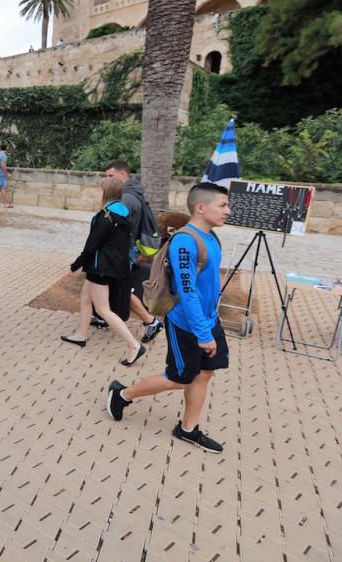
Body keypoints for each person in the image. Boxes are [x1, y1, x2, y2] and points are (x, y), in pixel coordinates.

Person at [107, 183, 232, 454]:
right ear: (201, 207)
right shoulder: (186, 242)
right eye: (222, 205)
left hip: (209, 320)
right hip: (188, 323)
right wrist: (202, 334)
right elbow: (187, 294)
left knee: (204, 374)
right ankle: (122, 394)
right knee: (178, 378)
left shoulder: (211, 237)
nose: (228, 211)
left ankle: (188, 429)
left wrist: (210, 326)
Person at [61, 178, 144, 365]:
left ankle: (134, 345)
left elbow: (92, 244)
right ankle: (81, 335)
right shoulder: (124, 213)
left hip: (101, 267)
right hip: (110, 266)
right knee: (85, 298)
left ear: (105, 192)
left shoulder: (105, 215)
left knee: (103, 309)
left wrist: (76, 264)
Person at [105, 160, 164, 343]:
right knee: (106, 284)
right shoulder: (132, 193)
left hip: (123, 250)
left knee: (121, 289)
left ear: (123, 175)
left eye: (110, 176)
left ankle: (150, 321)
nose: (107, 180)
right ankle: (102, 315)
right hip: (126, 249)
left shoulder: (127, 198)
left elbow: (117, 227)